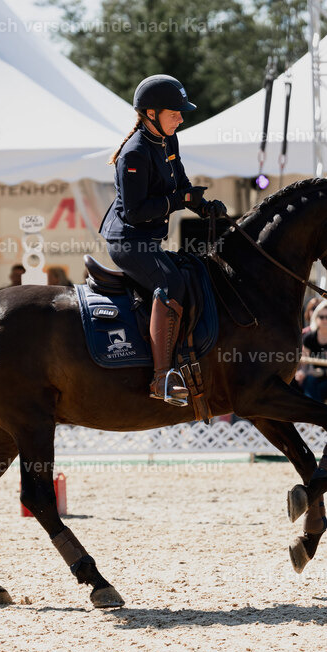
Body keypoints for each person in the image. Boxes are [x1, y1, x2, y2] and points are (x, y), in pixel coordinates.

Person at [99, 74, 226, 406]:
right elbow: (137, 213)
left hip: (147, 238)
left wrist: (205, 208)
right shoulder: (135, 153)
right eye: (175, 113)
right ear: (151, 113)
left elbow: (180, 185)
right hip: (127, 239)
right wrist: (180, 200)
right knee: (170, 281)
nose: (181, 118)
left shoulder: (168, 140)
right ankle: (161, 379)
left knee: (193, 271)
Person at [295, 301, 327, 405]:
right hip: (314, 375)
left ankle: (314, 414)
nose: (325, 320)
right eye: (321, 317)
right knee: (301, 382)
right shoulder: (309, 337)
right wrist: (303, 372)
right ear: (316, 318)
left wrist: (323, 372)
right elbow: (305, 362)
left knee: (317, 387)